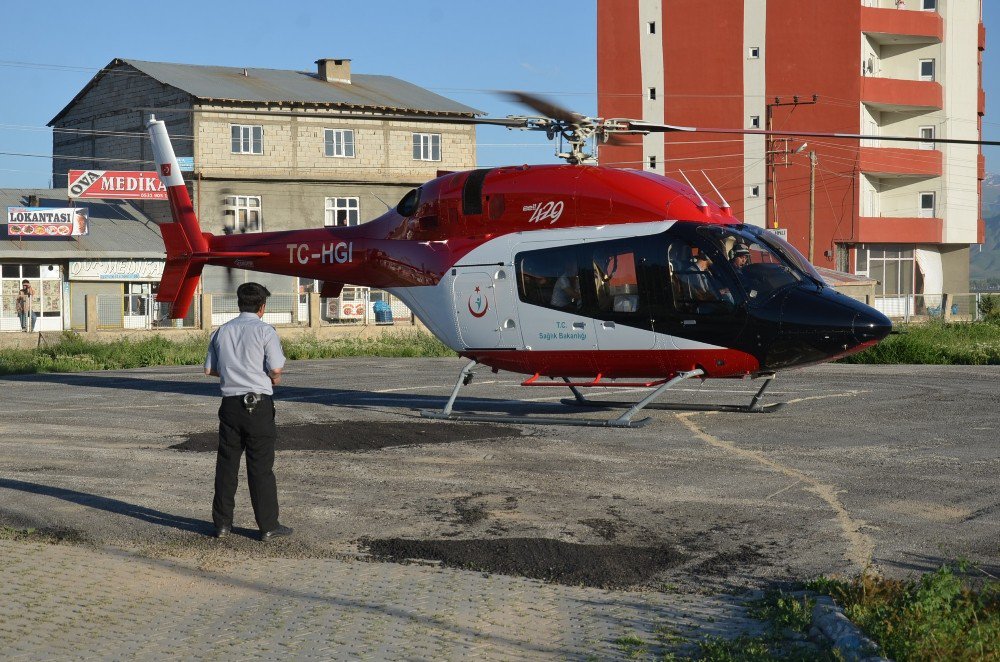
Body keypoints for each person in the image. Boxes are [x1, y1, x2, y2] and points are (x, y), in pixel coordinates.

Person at [204, 282, 291, 541]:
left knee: (226, 465)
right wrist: (268, 377)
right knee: (261, 467)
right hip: (258, 404)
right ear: (262, 307)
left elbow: (210, 370)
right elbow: (276, 371)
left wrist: (233, 373)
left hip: (230, 404)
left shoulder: (222, 331)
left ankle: (221, 525)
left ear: (239, 304)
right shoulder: (266, 332)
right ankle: (267, 526)